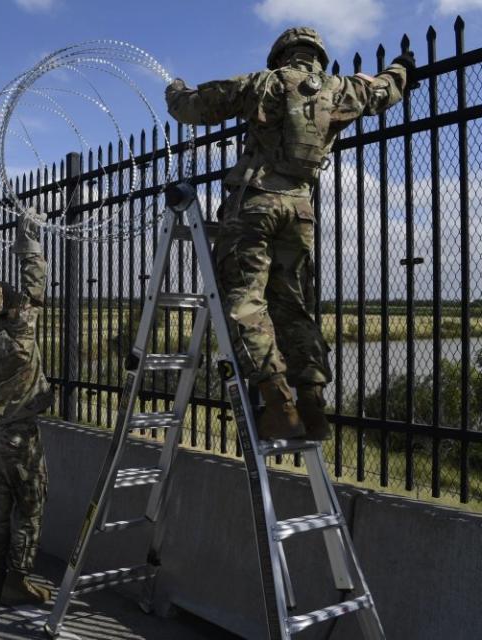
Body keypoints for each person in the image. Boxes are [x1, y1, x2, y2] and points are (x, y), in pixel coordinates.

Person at [165, 26, 413, 441]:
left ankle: (278, 403)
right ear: (317, 55)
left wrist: (174, 90)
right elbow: (385, 90)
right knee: (293, 306)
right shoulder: (341, 90)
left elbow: (193, 108)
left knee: (244, 303)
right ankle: (312, 405)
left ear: (281, 55)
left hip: (255, 205)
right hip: (300, 210)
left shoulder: (266, 82)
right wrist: (401, 68)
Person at [0, 206, 53, 605]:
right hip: (18, 436)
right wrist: (30, 247)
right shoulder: (20, 335)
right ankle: (17, 578)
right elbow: (35, 291)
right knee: (30, 507)